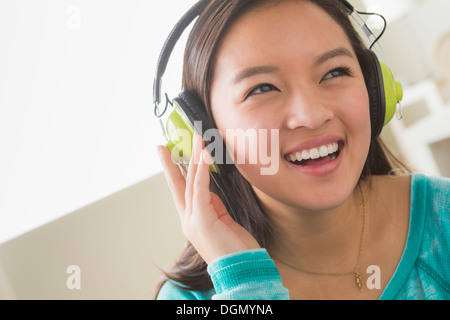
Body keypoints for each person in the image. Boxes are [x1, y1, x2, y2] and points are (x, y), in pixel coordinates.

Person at [155, 0, 450, 300]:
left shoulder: (445, 220)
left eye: (334, 72)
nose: (311, 115)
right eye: (262, 88)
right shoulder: (186, 300)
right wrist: (246, 288)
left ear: (375, 89)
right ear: (205, 132)